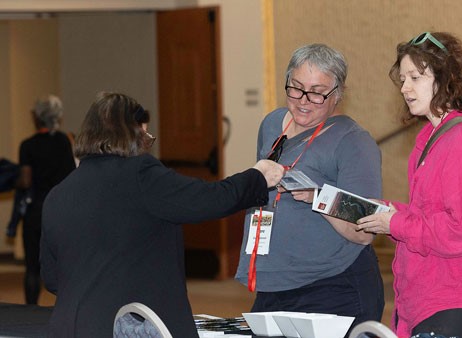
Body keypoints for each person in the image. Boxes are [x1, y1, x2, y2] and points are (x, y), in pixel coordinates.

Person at [39, 92, 284, 338]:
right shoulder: (140, 174)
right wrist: (258, 177)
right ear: (130, 135)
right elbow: (207, 199)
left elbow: (51, 278)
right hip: (128, 327)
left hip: (68, 327)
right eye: (145, 135)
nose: (147, 143)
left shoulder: (58, 194)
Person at [356, 32, 462, 338]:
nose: (404, 87)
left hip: (454, 296)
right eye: (402, 78)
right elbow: (427, 212)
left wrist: (396, 224)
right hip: (426, 295)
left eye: (415, 77)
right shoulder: (429, 137)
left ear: (445, 78)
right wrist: (389, 212)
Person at [234, 43, 385, 328]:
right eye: (296, 87)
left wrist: (318, 197)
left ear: (337, 94)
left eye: (317, 92)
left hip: (332, 287)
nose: (304, 100)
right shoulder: (271, 124)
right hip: (274, 282)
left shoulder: (354, 142)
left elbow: (365, 231)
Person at [16, 95, 76, 305]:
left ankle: (30, 309)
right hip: (60, 211)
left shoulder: (27, 146)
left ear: (36, 117)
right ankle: (66, 309)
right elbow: (72, 176)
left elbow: (25, 181)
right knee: (64, 265)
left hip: (36, 212)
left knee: (32, 267)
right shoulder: (64, 142)